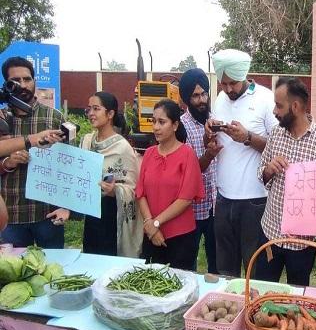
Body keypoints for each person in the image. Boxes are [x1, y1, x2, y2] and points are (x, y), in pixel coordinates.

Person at [254, 77, 316, 286]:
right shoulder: (276, 134)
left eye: (279, 105)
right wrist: (269, 169)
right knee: (262, 291)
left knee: (297, 300)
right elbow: (260, 174)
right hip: (270, 233)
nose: (274, 111)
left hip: (302, 242)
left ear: (296, 106)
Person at [205, 49, 278, 277]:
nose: (228, 89)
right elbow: (215, 140)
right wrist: (210, 134)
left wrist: (247, 137)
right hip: (224, 198)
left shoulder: (266, 99)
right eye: (223, 83)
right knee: (225, 268)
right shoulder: (220, 99)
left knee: (254, 271)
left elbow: (279, 148)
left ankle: (253, 312)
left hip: (255, 201)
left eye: (233, 83)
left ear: (244, 75)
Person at [0, 56, 66, 248]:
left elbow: (69, 164)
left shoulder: (54, 117)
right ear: (7, 84)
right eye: (16, 81)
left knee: (55, 271)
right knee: (14, 273)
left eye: (27, 79)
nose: (23, 85)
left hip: (47, 213)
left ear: (35, 81)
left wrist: (66, 206)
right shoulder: (1, 117)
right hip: (11, 214)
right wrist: (7, 163)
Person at [136, 99, 204, 270]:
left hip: (180, 237)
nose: (156, 127)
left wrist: (155, 224)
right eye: (154, 121)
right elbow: (140, 193)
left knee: (179, 288)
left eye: (162, 122)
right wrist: (149, 223)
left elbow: (185, 198)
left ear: (175, 125)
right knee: (150, 287)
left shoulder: (187, 154)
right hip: (151, 235)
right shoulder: (150, 154)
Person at [79, 92, 142, 257]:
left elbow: (133, 187)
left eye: (96, 109)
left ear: (110, 114)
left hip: (112, 215)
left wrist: (115, 191)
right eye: (89, 109)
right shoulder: (86, 141)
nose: (91, 113)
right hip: (91, 213)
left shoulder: (122, 148)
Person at [179, 68, 220, 273]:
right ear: (186, 98)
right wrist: (208, 155)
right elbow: (189, 172)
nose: (202, 99)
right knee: (188, 263)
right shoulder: (181, 127)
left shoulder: (216, 121)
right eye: (195, 95)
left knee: (217, 263)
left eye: (204, 93)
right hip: (192, 208)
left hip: (216, 205)